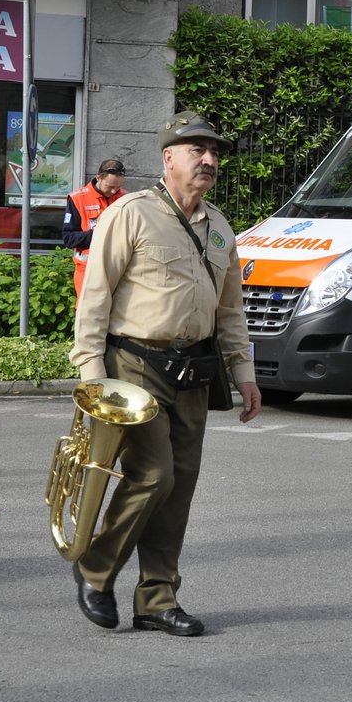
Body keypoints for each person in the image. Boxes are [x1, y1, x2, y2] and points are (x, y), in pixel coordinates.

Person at [70, 111, 261, 637]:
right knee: (154, 474)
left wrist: (244, 371)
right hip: (134, 363)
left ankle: (157, 598)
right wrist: (91, 373)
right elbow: (96, 297)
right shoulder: (130, 213)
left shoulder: (219, 227)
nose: (208, 160)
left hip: (195, 368)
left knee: (180, 488)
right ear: (168, 158)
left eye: (214, 152)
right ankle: (94, 567)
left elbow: (229, 311)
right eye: (196, 150)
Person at [62, 158, 127, 297]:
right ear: (99, 177)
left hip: (119, 270)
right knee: (88, 315)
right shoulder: (78, 199)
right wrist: (101, 234)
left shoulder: (125, 198)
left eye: (118, 187)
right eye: (110, 186)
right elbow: (69, 238)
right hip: (88, 271)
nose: (114, 191)